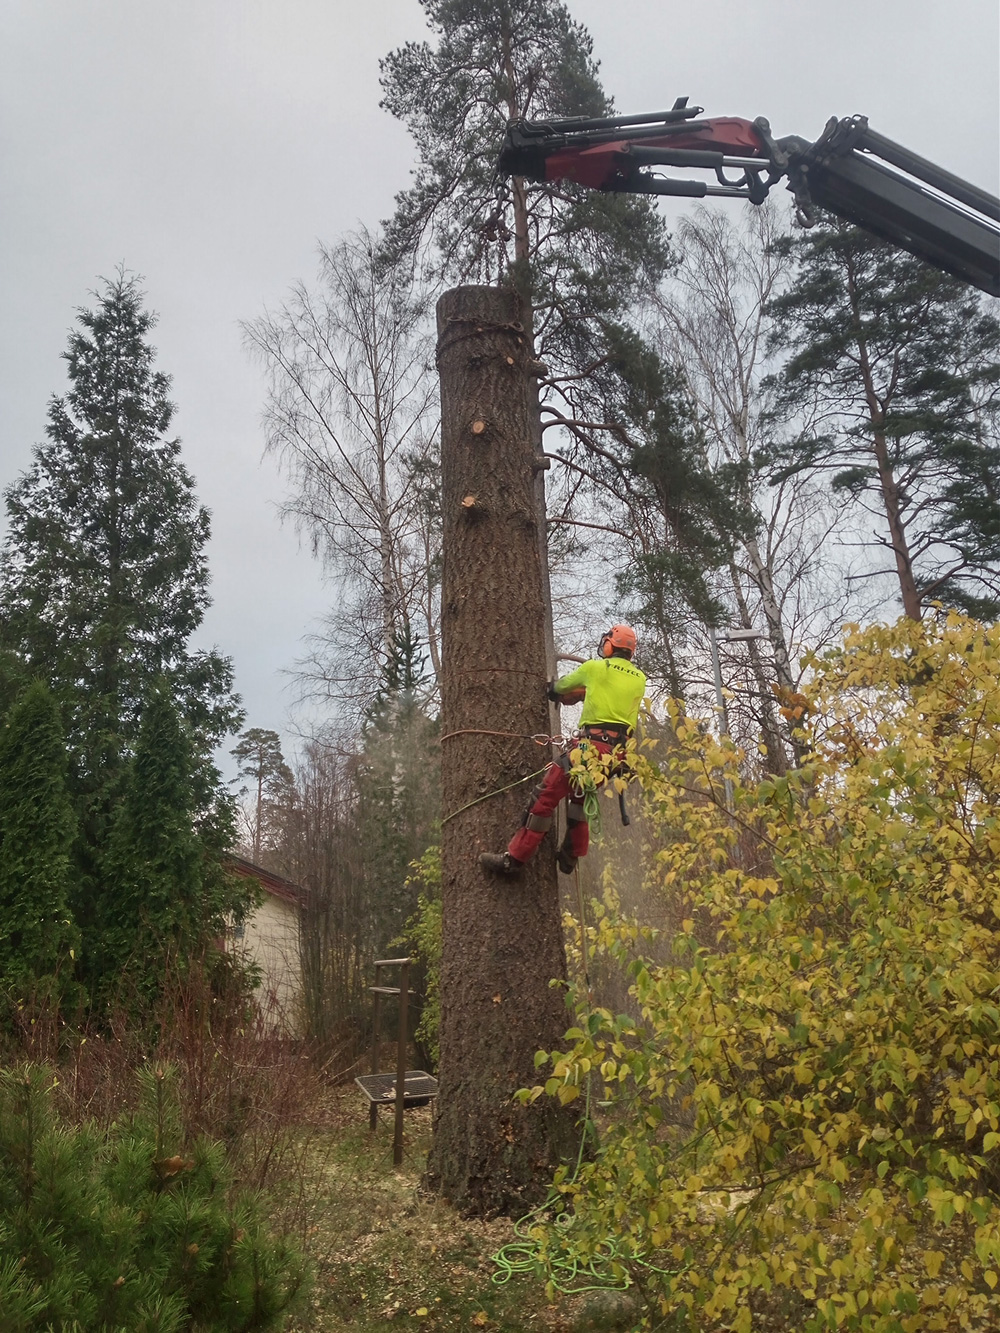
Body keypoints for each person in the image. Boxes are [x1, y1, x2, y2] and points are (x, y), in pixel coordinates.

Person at [479, 623, 646, 877]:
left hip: (590, 746)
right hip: (617, 755)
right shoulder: (640, 679)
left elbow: (561, 687)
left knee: (545, 795)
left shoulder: (595, 668)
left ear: (610, 645)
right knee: (580, 795)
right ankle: (570, 856)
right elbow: (612, 698)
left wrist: (556, 691)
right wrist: (585, 694)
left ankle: (515, 859)